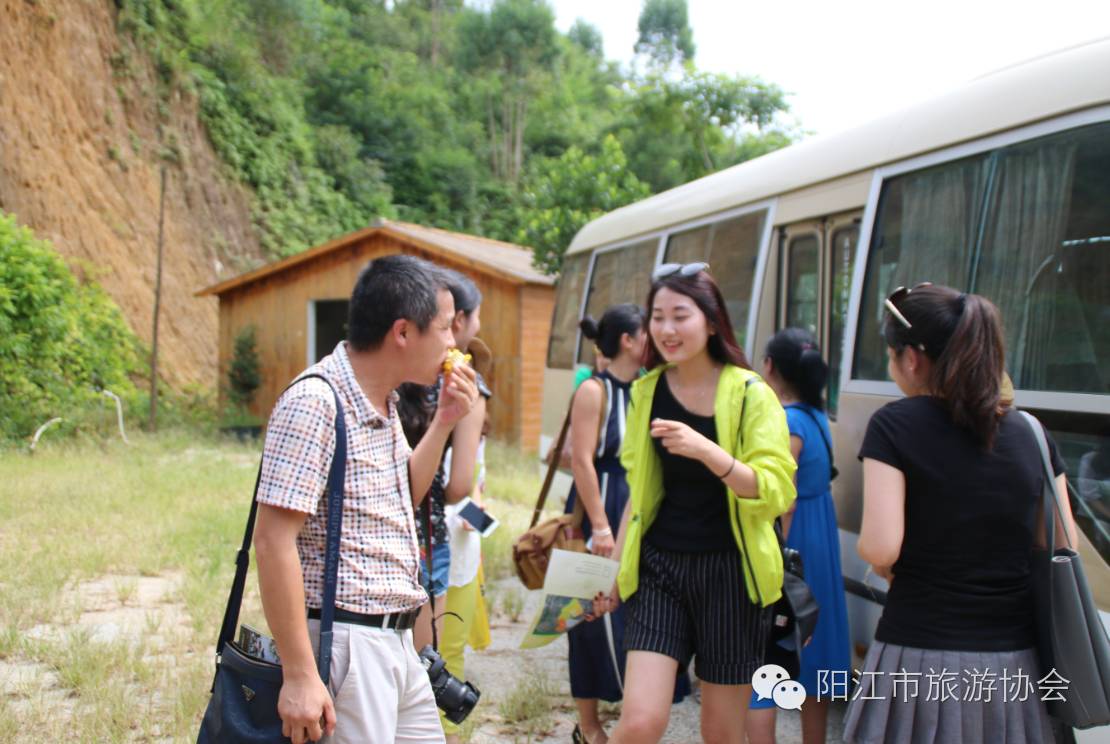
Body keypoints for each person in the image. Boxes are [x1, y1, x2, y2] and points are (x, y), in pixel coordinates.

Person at [253, 254, 478, 744]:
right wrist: (299, 673)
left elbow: (405, 496)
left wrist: (444, 421)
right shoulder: (315, 402)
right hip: (348, 645)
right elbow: (272, 543)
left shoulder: (381, 398)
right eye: (443, 328)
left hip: (398, 642)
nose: (452, 342)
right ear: (402, 332)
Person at [843, 283, 1080, 744]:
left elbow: (880, 546)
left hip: (919, 652)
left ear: (911, 358)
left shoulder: (894, 424)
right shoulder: (1031, 431)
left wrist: (889, 566)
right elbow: (1061, 541)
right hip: (1014, 663)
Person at [596, 262, 797, 744]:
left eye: (679, 315)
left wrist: (708, 451)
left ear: (710, 320)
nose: (666, 329)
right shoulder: (647, 391)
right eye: (657, 316)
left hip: (732, 574)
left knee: (721, 734)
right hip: (660, 569)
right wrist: (616, 571)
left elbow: (774, 489)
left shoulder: (752, 394)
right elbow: (639, 497)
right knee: (641, 720)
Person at [746, 328, 851, 744]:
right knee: (816, 647)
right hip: (821, 535)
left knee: (770, 652)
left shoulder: (787, 420)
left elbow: (783, 497)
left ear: (769, 367)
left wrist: (775, 558)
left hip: (796, 539)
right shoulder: (817, 417)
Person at [565, 304, 648, 744]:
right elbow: (581, 460)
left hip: (637, 503)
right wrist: (600, 525)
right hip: (598, 501)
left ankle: (633, 714)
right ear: (628, 340)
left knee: (637, 613)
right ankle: (589, 723)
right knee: (585, 616)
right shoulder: (594, 391)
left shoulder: (649, 388)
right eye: (646, 331)